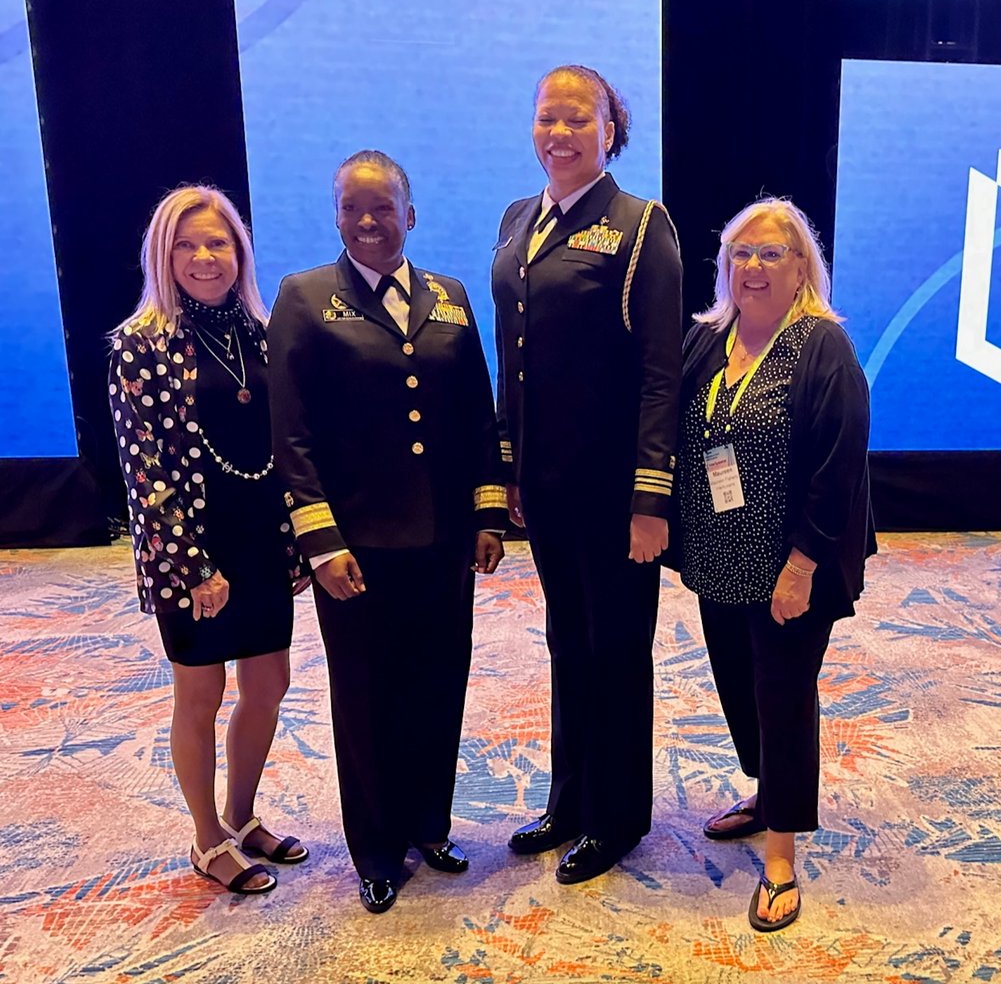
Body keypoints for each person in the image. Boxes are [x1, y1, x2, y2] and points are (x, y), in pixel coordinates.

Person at [269, 150, 507, 914]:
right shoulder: (304, 298)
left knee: (439, 682)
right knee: (367, 696)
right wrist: (320, 542)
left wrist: (488, 514)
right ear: (335, 214)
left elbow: (477, 412)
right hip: (356, 547)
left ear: (412, 213)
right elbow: (293, 434)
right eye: (352, 208)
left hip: (442, 540)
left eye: (383, 207)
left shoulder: (452, 297)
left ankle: (428, 825)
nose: (368, 222)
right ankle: (375, 848)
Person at [492, 65, 683, 884]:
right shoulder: (517, 219)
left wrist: (651, 498)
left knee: (615, 650)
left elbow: (659, 372)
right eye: (546, 118)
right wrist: (506, 479)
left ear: (611, 129)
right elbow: (513, 360)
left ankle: (615, 818)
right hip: (546, 488)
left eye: (577, 118)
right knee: (567, 643)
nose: (559, 133)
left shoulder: (641, 226)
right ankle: (568, 799)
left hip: (614, 493)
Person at [676, 197, 875, 931]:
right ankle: (767, 793)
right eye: (741, 255)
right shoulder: (710, 338)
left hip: (794, 565)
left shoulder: (821, 346)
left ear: (802, 270)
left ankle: (783, 853)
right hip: (719, 555)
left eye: (771, 255)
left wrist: (801, 567)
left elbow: (839, 465)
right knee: (738, 687)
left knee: (783, 691)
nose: (753, 268)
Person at [109, 185, 310, 896]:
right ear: (163, 255)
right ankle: (205, 841)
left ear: (239, 251)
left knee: (268, 684)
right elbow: (144, 471)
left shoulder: (261, 331)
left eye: (217, 242)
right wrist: (191, 564)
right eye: (186, 244)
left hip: (259, 535)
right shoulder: (140, 344)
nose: (203, 256)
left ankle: (241, 815)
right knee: (200, 695)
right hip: (189, 549)